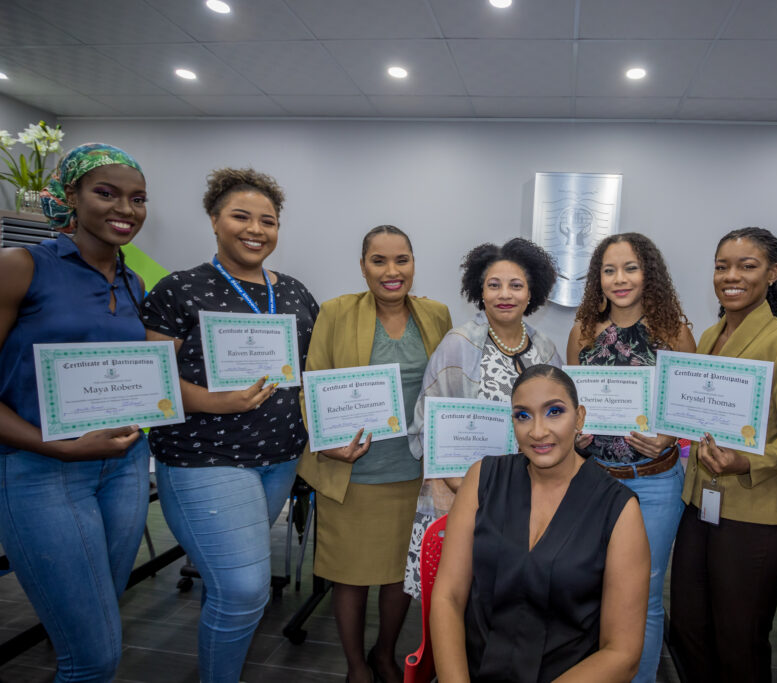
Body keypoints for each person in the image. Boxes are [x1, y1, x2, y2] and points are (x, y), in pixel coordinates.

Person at [142, 168, 319, 683]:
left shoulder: (294, 292)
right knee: (244, 590)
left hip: (278, 461)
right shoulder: (179, 288)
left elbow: (312, 372)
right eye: (242, 216)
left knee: (230, 585)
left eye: (268, 221)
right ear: (214, 219)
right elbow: (149, 380)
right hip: (205, 458)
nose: (256, 229)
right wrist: (214, 402)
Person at [0, 143, 151, 682]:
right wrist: (58, 446)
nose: (125, 209)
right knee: (94, 656)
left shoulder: (133, 282)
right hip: (41, 470)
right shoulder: (22, 266)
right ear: (71, 195)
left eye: (138, 198)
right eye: (106, 193)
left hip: (124, 468)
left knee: (97, 619)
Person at [296, 225, 451, 683]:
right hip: (353, 473)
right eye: (379, 260)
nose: (391, 271)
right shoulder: (336, 312)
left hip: (413, 472)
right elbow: (312, 384)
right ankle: (356, 666)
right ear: (363, 266)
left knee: (399, 574)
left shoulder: (436, 314)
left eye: (401, 259)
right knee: (350, 576)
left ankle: (384, 653)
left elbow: (449, 383)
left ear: (413, 264)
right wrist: (327, 442)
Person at [431, 364, 649, 682]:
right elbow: (448, 596)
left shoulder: (618, 509)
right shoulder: (483, 478)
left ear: (580, 418)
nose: (537, 431)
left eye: (554, 412)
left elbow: (622, 653)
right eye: (523, 415)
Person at [670, 227, 777, 682]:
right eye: (722, 266)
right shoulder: (710, 334)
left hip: (757, 516)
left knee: (738, 642)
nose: (731, 276)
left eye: (747, 266)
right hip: (699, 504)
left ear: (773, 273)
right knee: (688, 629)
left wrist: (746, 461)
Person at [565, 232, 696, 682]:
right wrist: (576, 438)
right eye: (609, 270)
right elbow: (572, 406)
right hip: (594, 484)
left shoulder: (674, 333)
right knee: (591, 590)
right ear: (597, 279)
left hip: (654, 482)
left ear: (649, 274)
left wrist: (669, 437)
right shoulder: (582, 332)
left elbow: (690, 409)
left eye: (630, 268)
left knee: (645, 597)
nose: (619, 279)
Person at [404, 237, 561, 599]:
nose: (505, 294)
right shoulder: (457, 345)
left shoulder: (546, 349)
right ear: (480, 291)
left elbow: (559, 418)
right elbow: (428, 425)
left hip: (529, 500)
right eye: (494, 285)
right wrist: (466, 487)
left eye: (516, 285)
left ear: (531, 292)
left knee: (512, 602)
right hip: (464, 496)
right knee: (458, 600)